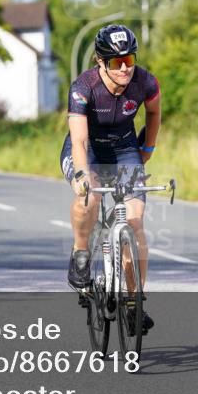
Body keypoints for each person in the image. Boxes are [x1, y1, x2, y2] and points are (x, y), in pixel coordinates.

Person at [61, 24, 161, 334]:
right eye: (116, 63)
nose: (124, 69)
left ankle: (135, 300)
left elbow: (154, 115)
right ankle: (80, 252)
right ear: (100, 62)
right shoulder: (83, 87)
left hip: (124, 149)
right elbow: (78, 141)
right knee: (88, 197)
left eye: (129, 60)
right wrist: (81, 175)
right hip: (88, 149)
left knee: (135, 221)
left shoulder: (145, 82)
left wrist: (147, 148)